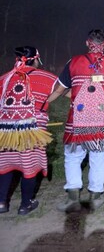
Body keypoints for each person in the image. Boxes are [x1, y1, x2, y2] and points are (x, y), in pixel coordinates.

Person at [46, 29, 104, 211]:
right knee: (98, 156)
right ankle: (96, 196)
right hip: (103, 120)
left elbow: (59, 90)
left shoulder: (73, 62)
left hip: (78, 122)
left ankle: (72, 197)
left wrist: (42, 104)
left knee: (73, 157)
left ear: (86, 43)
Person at [0, 47, 57, 215]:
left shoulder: (5, 78)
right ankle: (26, 204)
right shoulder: (45, 77)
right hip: (31, 131)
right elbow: (64, 91)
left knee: (5, 165)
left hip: (5, 131)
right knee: (29, 166)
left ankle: (2, 203)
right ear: (35, 59)